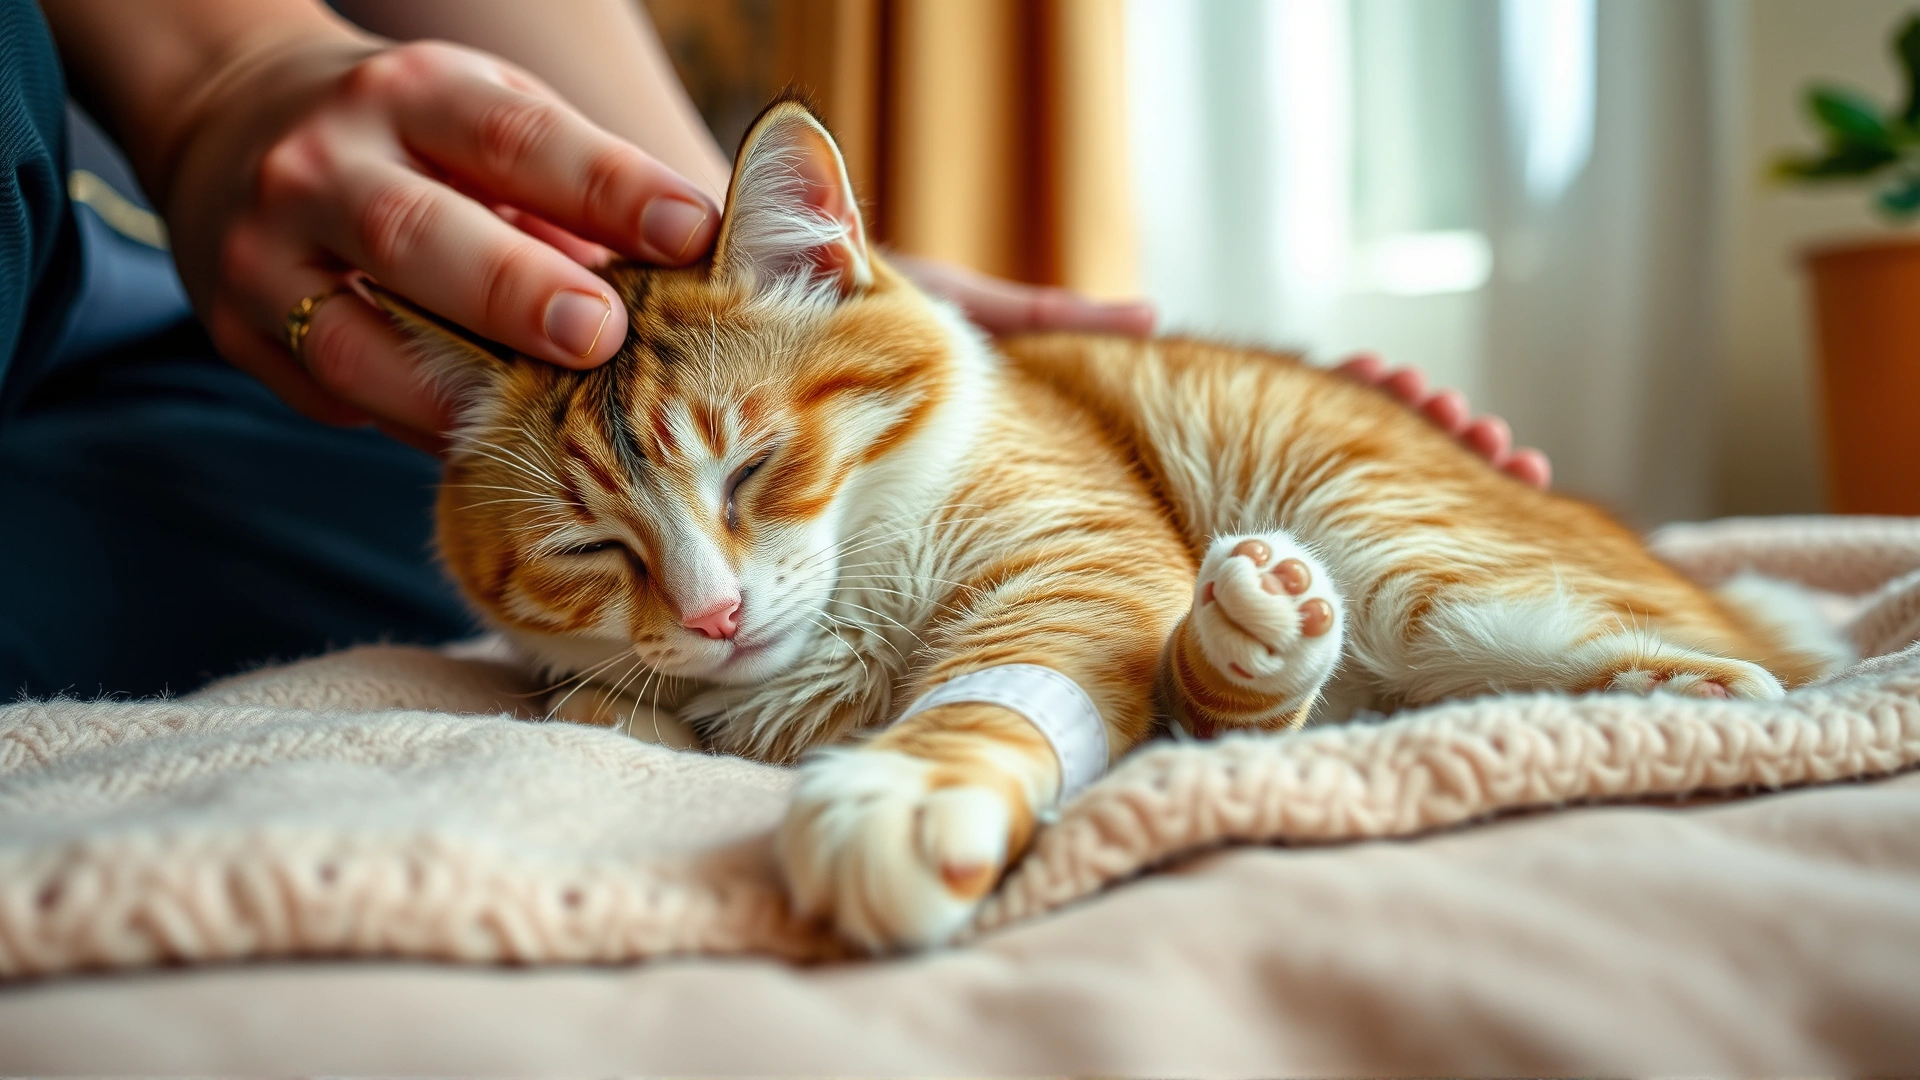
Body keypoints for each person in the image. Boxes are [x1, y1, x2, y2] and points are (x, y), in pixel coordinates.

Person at [0, 0, 1547, 699]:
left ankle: (1099, 481)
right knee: (574, 623)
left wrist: (728, 278)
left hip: (248, 333)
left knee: (496, 589)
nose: (711, 594)